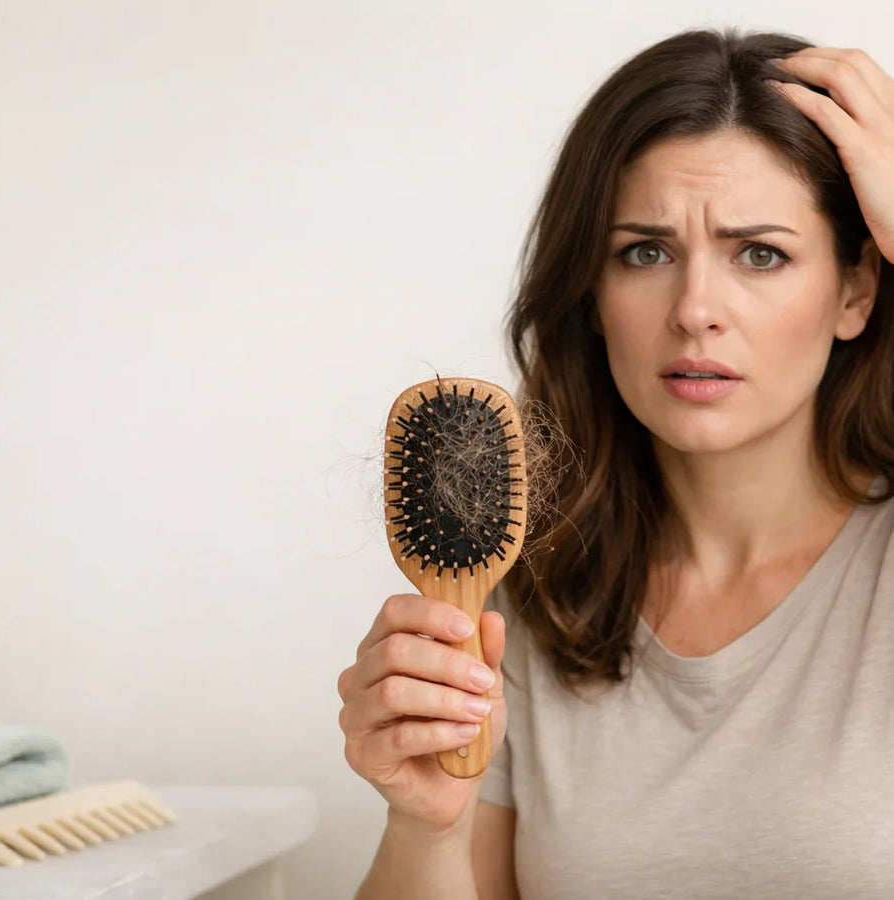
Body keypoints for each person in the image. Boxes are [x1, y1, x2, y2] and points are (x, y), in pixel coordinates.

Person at [337, 26, 894, 899]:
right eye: (646, 252)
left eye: (761, 253)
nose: (696, 309)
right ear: (591, 295)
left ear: (855, 291)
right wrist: (425, 826)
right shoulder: (532, 596)